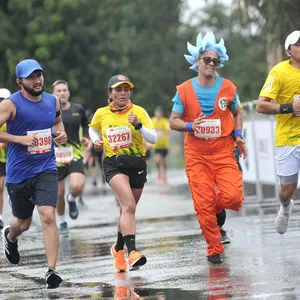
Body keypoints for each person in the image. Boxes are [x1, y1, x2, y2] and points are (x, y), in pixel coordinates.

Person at [169, 32, 247, 264]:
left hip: (223, 151)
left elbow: (238, 112)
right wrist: (192, 125)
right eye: (207, 60)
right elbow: (173, 121)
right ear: (197, 62)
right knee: (202, 204)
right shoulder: (183, 89)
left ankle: (216, 202)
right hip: (197, 154)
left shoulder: (229, 88)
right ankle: (214, 248)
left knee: (233, 198)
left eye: (215, 61)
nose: (212, 64)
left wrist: (239, 135)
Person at [0, 59, 67, 288]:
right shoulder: (10, 104)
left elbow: (57, 124)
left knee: (48, 215)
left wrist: (61, 135)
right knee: (24, 223)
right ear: (19, 81)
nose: (37, 80)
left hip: (46, 168)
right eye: (31, 77)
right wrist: (18, 139)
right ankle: (10, 237)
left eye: (39, 75)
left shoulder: (53, 100)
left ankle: (51, 270)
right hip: (19, 174)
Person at [89, 74, 157, 272]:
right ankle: (132, 252)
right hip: (113, 164)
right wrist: (96, 141)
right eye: (118, 89)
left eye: (126, 89)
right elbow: (93, 129)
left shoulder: (139, 111)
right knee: (128, 204)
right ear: (110, 94)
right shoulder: (101, 113)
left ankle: (118, 249)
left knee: (127, 210)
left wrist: (138, 125)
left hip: (137, 165)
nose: (123, 93)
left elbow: (153, 138)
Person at [256, 30, 300, 234]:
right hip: (288, 138)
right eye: (297, 45)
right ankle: (285, 206)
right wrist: (290, 108)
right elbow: (261, 106)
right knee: (287, 190)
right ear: (288, 51)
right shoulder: (279, 72)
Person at [52, 79, 89, 235]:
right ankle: (62, 221)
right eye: (58, 91)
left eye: (64, 90)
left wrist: (86, 137)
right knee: (59, 192)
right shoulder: (48, 110)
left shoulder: (77, 109)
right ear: (53, 94)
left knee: (77, 186)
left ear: (69, 92)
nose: (62, 93)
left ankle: (72, 198)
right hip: (55, 157)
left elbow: (85, 124)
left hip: (75, 153)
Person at [0, 88, 11, 229]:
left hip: (10, 157)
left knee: (2, 187)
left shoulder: (12, 116)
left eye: (3, 100)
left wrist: (5, 142)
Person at [151, 106, 170, 183]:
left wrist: (163, 132)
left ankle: (164, 174)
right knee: (157, 160)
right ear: (155, 113)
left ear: (161, 114)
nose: (158, 114)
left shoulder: (164, 121)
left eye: (159, 113)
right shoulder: (152, 120)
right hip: (156, 145)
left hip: (164, 145)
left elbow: (168, 130)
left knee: (164, 161)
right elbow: (149, 129)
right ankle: (159, 172)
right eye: (157, 113)